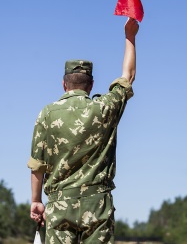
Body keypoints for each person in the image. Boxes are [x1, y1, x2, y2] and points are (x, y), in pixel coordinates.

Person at [28, 17, 139, 244]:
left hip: (60, 205)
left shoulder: (47, 114)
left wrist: (36, 200)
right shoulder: (104, 108)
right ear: (91, 85)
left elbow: (37, 166)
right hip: (97, 204)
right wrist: (130, 35)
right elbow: (128, 77)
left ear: (64, 84)